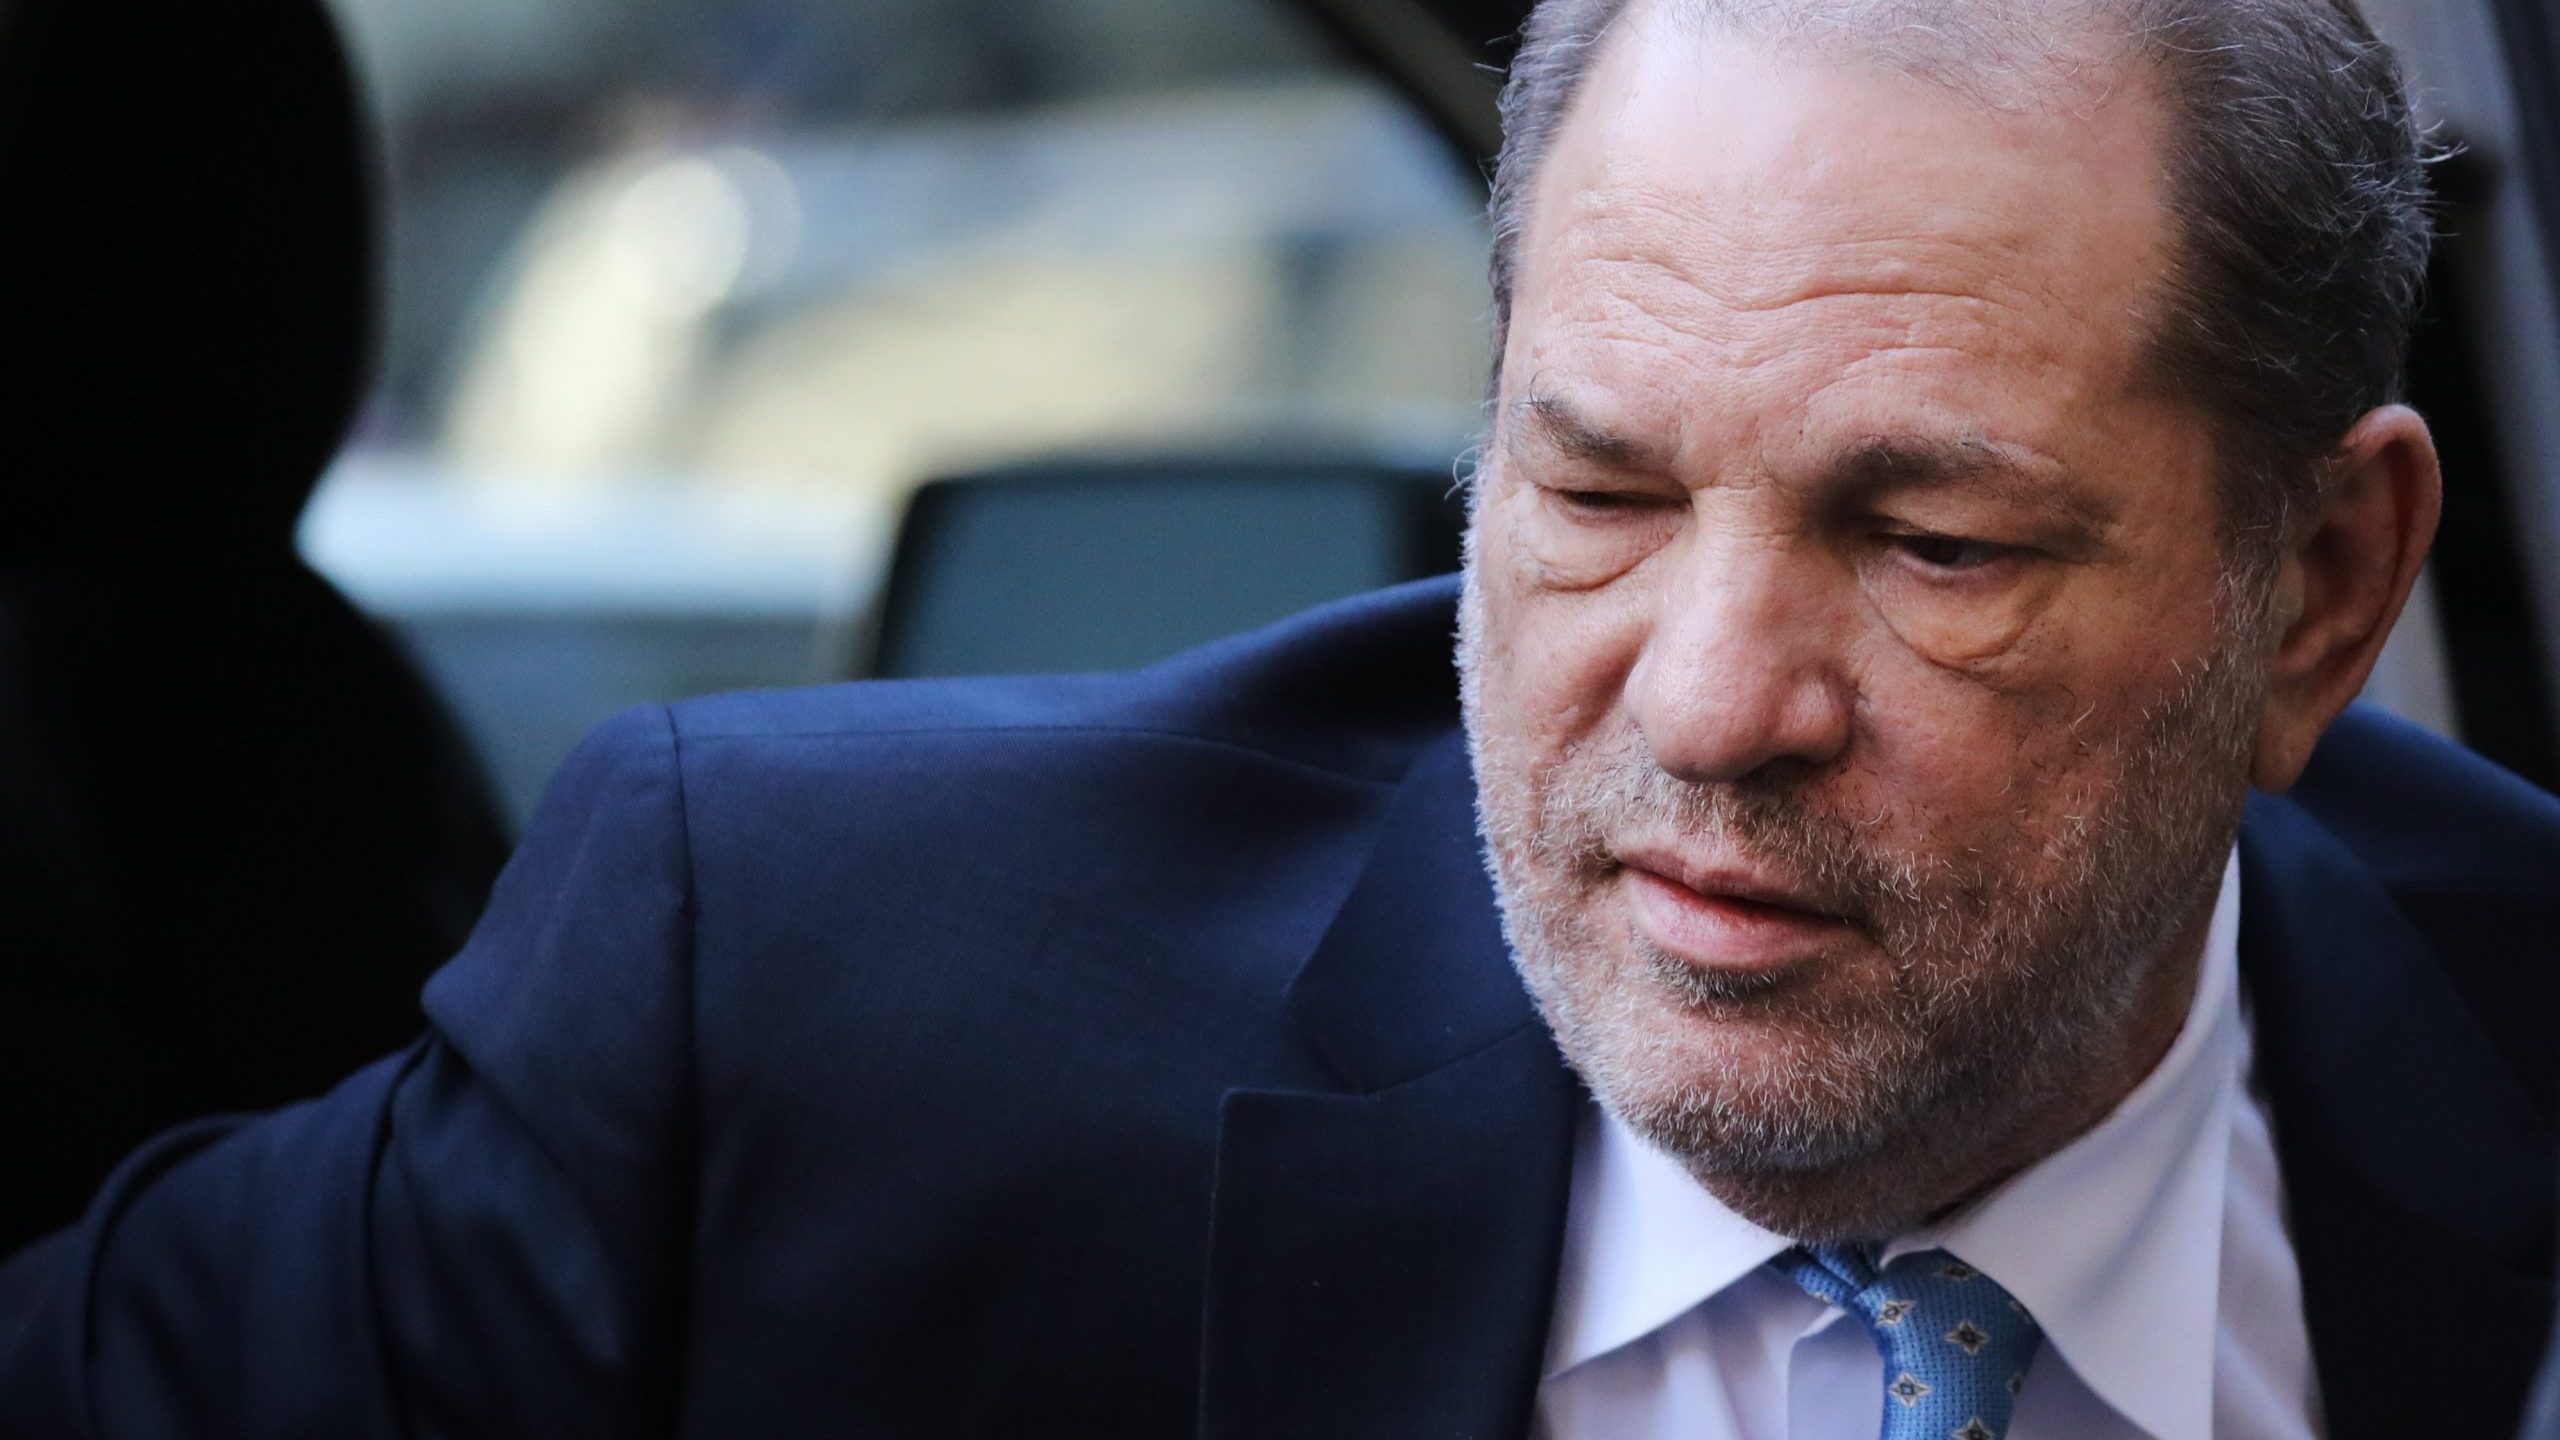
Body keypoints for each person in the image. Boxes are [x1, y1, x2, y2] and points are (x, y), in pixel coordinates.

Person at [4, 0, 2553, 1436]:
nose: (1702, 701)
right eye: (1592, 492)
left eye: (1931, 547)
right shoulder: (798, 1006)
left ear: (2318, 591)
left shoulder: (2507, 1037)